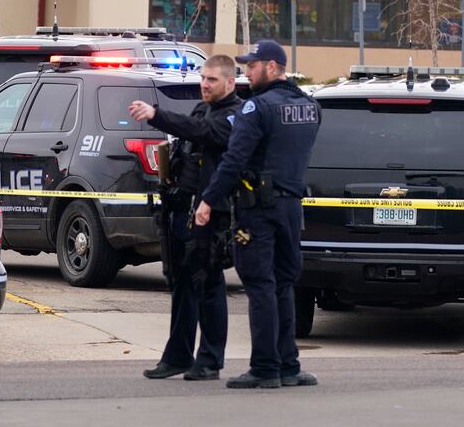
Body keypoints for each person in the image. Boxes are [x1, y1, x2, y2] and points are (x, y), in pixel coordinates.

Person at [194, 39, 321, 389]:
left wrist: (207, 200)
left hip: (258, 211)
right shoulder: (309, 106)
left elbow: (233, 161)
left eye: (252, 65)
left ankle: (265, 367)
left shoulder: (256, 109)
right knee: (283, 284)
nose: (246, 71)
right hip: (291, 208)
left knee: (260, 285)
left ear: (272, 67)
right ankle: (288, 365)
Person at [128, 54, 242, 381]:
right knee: (180, 284)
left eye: (212, 80)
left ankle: (209, 360)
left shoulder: (235, 115)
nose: (205, 84)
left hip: (210, 214)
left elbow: (204, 132)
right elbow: (189, 140)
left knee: (208, 285)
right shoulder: (202, 108)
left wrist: (156, 115)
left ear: (229, 82)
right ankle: (177, 355)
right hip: (181, 209)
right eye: (203, 78)